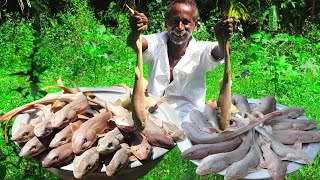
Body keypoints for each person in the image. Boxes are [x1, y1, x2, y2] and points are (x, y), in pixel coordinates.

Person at [127, 0, 233, 121]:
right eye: (175, 21)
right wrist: (136, 32)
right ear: (166, 23)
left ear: (196, 25)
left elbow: (220, 52)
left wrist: (222, 40)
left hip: (190, 118)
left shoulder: (201, 50)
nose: (180, 28)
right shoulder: (156, 42)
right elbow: (135, 43)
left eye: (186, 22)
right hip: (154, 113)